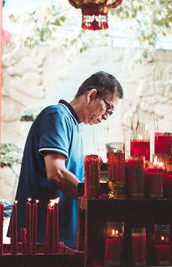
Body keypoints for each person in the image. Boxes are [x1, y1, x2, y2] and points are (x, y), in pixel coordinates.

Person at [13, 71, 123, 249]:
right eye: (108, 109)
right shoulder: (57, 116)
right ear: (92, 95)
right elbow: (56, 173)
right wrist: (93, 201)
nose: (105, 117)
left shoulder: (73, 126)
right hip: (43, 235)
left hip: (61, 234)